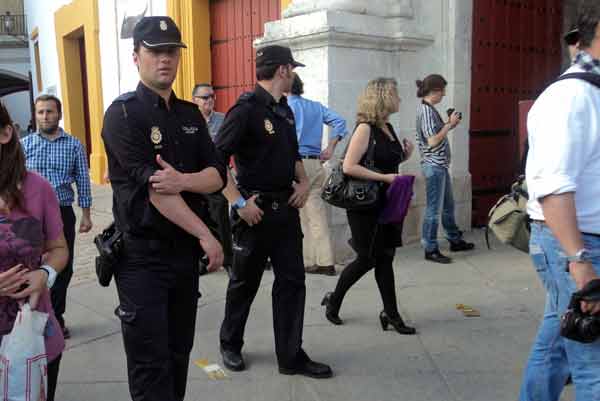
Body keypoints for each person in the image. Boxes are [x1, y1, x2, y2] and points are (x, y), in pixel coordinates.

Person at [101, 17, 226, 401]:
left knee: (178, 354)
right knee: (150, 365)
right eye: (155, 51)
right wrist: (208, 236)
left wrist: (185, 181)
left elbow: (218, 175)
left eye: (171, 51)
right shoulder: (123, 115)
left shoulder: (190, 115)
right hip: (142, 259)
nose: (165, 59)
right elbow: (156, 190)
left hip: (183, 258)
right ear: (135, 56)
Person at [216, 45, 332, 378]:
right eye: (291, 68)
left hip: (285, 211)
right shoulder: (245, 110)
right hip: (255, 213)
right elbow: (215, 160)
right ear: (282, 70)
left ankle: (291, 356)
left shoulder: (285, 110)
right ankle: (230, 343)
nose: (294, 73)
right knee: (244, 283)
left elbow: (293, 155)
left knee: (293, 283)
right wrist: (239, 203)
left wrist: (303, 183)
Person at [519, 3, 600, 400]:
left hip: (581, 240)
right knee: (594, 366)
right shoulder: (571, 96)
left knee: (556, 348)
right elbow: (552, 188)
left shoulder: (592, 92)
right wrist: (579, 259)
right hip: (577, 243)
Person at [320, 78, 416, 335]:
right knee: (368, 258)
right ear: (383, 97)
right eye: (396, 94)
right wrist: (385, 178)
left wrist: (405, 155)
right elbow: (349, 166)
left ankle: (391, 314)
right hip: (365, 203)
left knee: (386, 257)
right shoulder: (365, 128)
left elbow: (385, 160)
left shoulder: (388, 127)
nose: (400, 99)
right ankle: (334, 299)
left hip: (388, 200)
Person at [0, 101, 68, 401]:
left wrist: (46, 273)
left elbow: (58, 248)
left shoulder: (38, 188)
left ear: (5, 134)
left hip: (34, 338)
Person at [21, 94, 93, 339]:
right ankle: (28, 315)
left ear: (59, 114)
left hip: (61, 214)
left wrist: (86, 214)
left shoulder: (74, 145)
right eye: (40, 112)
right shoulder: (25, 145)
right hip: (29, 215)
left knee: (64, 267)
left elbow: (83, 180)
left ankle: (55, 317)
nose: (45, 116)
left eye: (50, 111)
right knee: (29, 265)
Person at [286, 73, 348, 276]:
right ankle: (319, 261)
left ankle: (314, 261)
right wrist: (331, 146)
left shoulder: (284, 107)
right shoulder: (315, 106)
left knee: (300, 214)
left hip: (294, 163)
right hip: (314, 162)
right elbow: (340, 122)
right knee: (313, 213)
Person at [415, 74, 474, 264]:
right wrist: (449, 125)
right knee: (433, 209)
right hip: (434, 166)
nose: (444, 95)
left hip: (439, 166)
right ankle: (430, 248)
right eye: (442, 91)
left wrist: (449, 124)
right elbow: (432, 141)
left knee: (448, 206)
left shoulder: (430, 110)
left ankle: (454, 239)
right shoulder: (425, 111)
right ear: (435, 91)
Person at [192, 83, 232, 273]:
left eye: (212, 97)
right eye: (205, 97)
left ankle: (228, 261)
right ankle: (202, 258)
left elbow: (234, 146)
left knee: (221, 217)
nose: (210, 100)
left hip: (216, 177)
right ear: (195, 100)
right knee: (197, 218)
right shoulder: (189, 121)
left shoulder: (223, 120)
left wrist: (234, 169)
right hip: (194, 178)